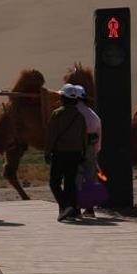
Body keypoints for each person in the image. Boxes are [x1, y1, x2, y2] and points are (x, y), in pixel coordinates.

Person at [45, 84, 88, 222]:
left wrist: (47, 152)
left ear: (63, 98)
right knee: (70, 182)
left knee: (54, 182)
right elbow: (84, 137)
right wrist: (83, 153)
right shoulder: (80, 116)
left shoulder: (57, 114)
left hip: (60, 153)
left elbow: (51, 136)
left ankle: (65, 206)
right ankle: (72, 210)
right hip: (76, 154)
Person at [73, 85, 102, 217]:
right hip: (90, 149)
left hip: (74, 148)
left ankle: (77, 208)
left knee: (76, 177)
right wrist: (94, 151)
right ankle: (90, 208)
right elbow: (98, 136)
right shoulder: (93, 115)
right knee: (90, 178)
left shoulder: (69, 114)